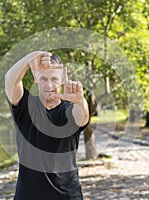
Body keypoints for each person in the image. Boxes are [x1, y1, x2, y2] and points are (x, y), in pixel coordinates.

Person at [5, 51, 89, 200]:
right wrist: (29, 58)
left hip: (68, 196)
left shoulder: (69, 110)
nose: (49, 85)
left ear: (62, 78)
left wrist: (80, 101)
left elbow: (82, 117)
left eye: (54, 79)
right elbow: (10, 80)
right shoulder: (26, 107)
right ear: (36, 78)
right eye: (43, 78)